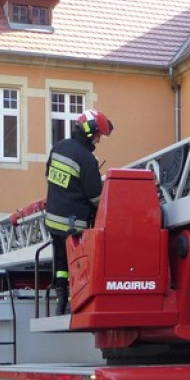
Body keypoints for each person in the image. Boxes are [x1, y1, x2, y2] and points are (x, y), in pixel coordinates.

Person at [44, 109, 114, 315]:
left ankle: (60, 300)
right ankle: (77, 302)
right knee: (77, 265)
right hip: (73, 225)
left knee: (61, 264)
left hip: (53, 221)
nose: (99, 140)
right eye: (99, 135)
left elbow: (50, 175)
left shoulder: (58, 148)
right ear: (90, 132)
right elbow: (95, 197)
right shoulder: (86, 159)